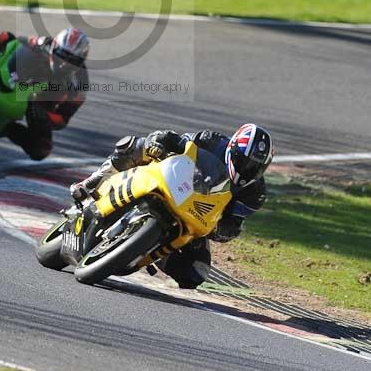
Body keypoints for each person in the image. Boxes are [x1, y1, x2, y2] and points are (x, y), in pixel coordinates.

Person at [70, 123, 273, 289]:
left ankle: (151, 252)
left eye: (255, 166)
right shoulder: (211, 140)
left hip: (196, 215)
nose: (248, 168)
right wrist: (159, 142)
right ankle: (92, 181)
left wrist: (220, 230)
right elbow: (175, 139)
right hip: (176, 182)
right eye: (244, 161)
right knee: (137, 145)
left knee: (195, 273)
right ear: (232, 148)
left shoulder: (256, 193)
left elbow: (234, 224)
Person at [0, 27, 89, 160]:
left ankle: (4, 128)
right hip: (18, 78)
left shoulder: (80, 84)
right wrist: (0, 39)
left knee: (41, 148)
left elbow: (62, 119)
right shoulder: (42, 43)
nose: (63, 64)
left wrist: (46, 116)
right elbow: (15, 42)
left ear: (80, 62)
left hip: (39, 102)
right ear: (54, 47)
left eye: (71, 61)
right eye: (61, 55)